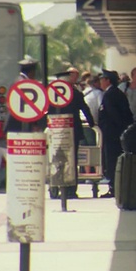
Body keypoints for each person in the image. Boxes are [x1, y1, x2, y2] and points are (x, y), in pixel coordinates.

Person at [49, 69, 96, 199]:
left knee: (56, 158)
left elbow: (46, 111)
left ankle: (55, 187)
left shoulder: (51, 94)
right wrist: (92, 123)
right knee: (71, 160)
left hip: (56, 132)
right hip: (72, 132)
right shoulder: (75, 93)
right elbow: (85, 109)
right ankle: (70, 189)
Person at [98, 70, 134, 198]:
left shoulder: (110, 95)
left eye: (102, 79)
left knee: (112, 160)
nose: (100, 82)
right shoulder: (115, 93)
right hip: (114, 132)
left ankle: (113, 187)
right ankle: (115, 186)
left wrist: (118, 130)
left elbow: (114, 115)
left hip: (112, 134)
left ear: (108, 80)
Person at [3, 57, 44, 133]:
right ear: (31, 72)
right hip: (19, 125)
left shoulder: (18, 80)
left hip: (15, 124)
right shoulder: (25, 84)